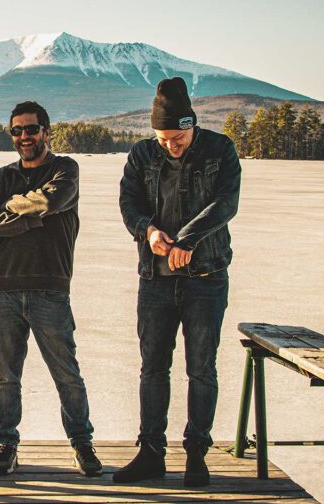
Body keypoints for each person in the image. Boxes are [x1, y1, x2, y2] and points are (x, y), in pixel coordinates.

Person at [114, 77, 241, 487]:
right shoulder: (140, 155)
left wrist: (187, 240)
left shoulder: (220, 151)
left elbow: (226, 203)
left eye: (178, 136)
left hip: (205, 278)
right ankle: (151, 453)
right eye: (164, 138)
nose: (171, 145)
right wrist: (148, 232)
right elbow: (128, 202)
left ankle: (196, 456)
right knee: (153, 368)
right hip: (155, 280)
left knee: (201, 368)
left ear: (193, 124)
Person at [0, 101, 102, 477]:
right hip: (5, 292)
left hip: (51, 289)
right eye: (16, 131)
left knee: (67, 375)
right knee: (5, 376)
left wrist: (14, 212)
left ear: (47, 131)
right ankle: (6, 444)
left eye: (31, 129)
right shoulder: (1, 177)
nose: (24, 137)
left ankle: (82, 443)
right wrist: (32, 220)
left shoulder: (66, 169)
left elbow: (52, 199)